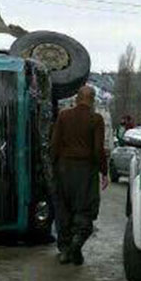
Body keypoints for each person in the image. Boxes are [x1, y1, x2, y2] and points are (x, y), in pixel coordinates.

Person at [51, 85, 109, 265]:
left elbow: (54, 144)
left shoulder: (63, 116)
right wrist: (104, 172)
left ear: (77, 98)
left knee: (63, 210)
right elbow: (98, 150)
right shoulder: (96, 119)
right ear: (92, 100)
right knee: (85, 210)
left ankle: (65, 249)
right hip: (85, 170)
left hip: (63, 169)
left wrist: (53, 167)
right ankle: (76, 245)